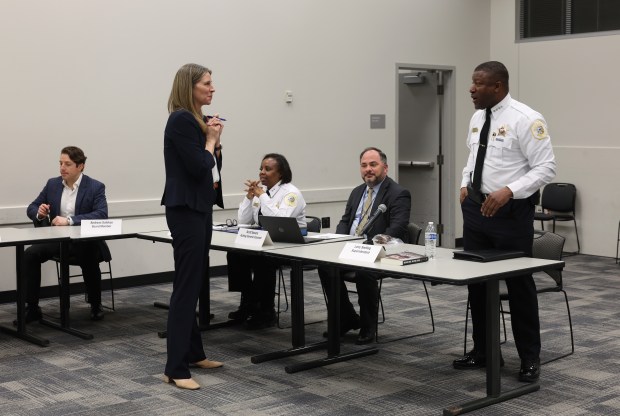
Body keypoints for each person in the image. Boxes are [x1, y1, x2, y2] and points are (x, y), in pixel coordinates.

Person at [454, 61, 556, 383]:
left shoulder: (526, 120)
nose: (471, 89)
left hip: (511, 215)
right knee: (478, 284)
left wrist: (509, 191)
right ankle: (485, 350)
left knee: (518, 285)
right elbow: (473, 156)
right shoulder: (477, 116)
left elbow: (546, 168)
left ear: (497, 87)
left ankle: (529, 358)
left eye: (477, 83)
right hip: (476, 211)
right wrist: (463, 183)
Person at [161, 63, 224, 390]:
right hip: (185, 210)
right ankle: (175, 368)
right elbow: (201, 165)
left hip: (200, 208)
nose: (213, 89)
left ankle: (194, 352)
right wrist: (210, 141)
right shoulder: (181, 120)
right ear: (191, 86)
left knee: (196, 281)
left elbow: (212, 169)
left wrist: (213, 140)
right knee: (186, 285)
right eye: (207, 84)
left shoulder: (196, 121)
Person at [318, 147, 411, 344]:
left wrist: (368, 246)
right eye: (364, 165)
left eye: (373, 165)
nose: (368, 169)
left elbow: (397, 228)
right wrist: (338, 241)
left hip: (379, 251)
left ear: (385, 168)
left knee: (364, 271)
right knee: (325, 266)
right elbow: (345, 222)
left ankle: (369, 326)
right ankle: (347, 318)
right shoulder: (357, 192)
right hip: (350, 248)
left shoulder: (398, 193)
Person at [22, 146, 108, 323]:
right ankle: (32, 308)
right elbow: (31, 207)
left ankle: (95, 304)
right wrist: (39, 212)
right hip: (57, 240)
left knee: (88, 254)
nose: (62, 168)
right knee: (30, 254)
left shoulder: (95, 187)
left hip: (85, 240)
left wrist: (69, 220)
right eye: (60, 163)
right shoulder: (52, 184)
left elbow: (101, 214)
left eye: (67, 164)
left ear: (80, 166)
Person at [227, 153, 307, 329]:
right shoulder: (260, 191)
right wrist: (249, 198)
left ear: (281, 173)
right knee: (235, 254)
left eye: (268, 169)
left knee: (263, 259)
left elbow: (280, 220)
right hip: (266, 241)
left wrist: (262, 196)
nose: (262, 172)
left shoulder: (291, 193)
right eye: (261, 168)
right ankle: (248, 303)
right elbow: (243, 221)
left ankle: (266, 311)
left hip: (289, 245)